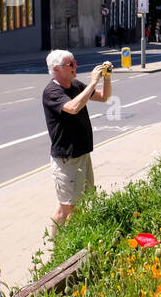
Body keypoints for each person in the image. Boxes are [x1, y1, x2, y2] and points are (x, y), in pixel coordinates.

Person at [43, 49, 111, 227]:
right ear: (56, 69)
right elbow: (73, 107)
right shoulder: (52, 91)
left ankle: (65, 245)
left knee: (78, 204)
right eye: (70, 64)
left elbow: (103, 97)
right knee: (67, 209)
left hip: (82, 154)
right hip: (67, 159)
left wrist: (107, 79)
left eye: (75, 62)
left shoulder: (75, 85)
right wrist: (93, 82)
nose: (75, 66)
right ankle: (57, 249)